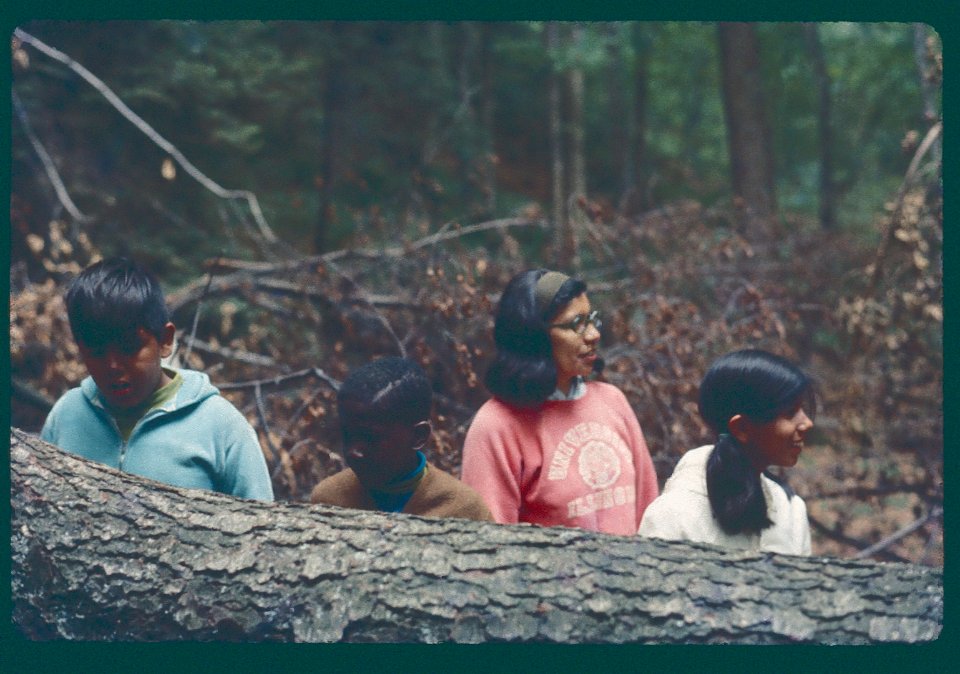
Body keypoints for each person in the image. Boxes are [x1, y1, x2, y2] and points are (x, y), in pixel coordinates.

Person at [40, 257, 274, 501]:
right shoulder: (66, 416)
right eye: (96, 351)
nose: (113, 366)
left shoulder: (221, 427)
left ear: (165, 339)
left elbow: (261, 529)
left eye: (129, 347)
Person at [460, 269, 659, 535]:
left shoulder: (613, 401)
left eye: (592, 319)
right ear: (535, 336)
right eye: (576, 324)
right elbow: (490, 543)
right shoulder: (496, 426)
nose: (593, 335)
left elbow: (649, 512)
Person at [638, 349, 815, 555]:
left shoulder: (791, 510)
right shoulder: (672, 518)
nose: (807, 423)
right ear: (741, 428)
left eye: (802, 410)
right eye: (790, 413)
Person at [311, 356, 493, 521]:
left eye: (371, 438)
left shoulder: (463, 509)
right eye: (347, 435)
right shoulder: (329, 500)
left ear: (418, 437)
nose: (354, 451)